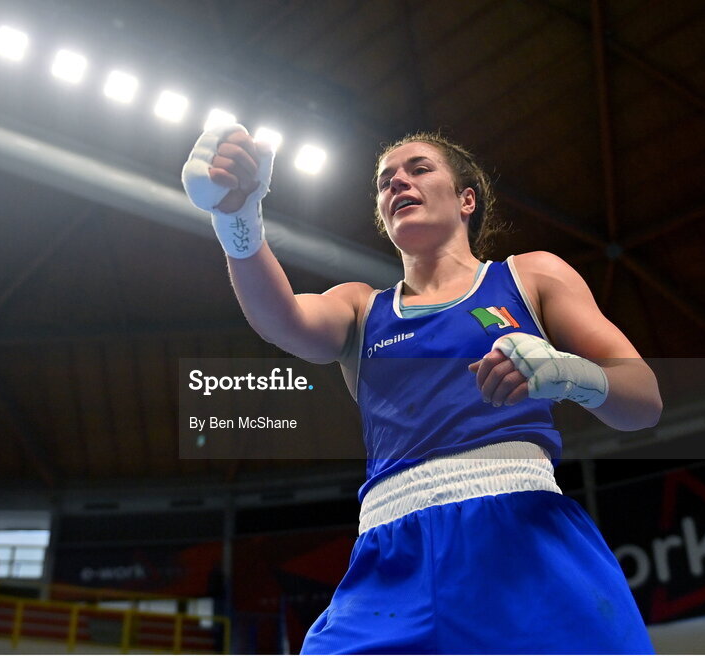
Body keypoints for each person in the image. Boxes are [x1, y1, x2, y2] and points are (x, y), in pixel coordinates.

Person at [182, 123, 662, 653]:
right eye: (386, 181)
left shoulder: (530, 277)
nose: (397, 184)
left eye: (419, 169)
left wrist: (569, 373)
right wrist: (236, 218)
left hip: (520, 534)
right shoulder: (362, 308)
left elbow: (643, 399)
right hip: (391, 557)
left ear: (466, 199)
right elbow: (284, 318)